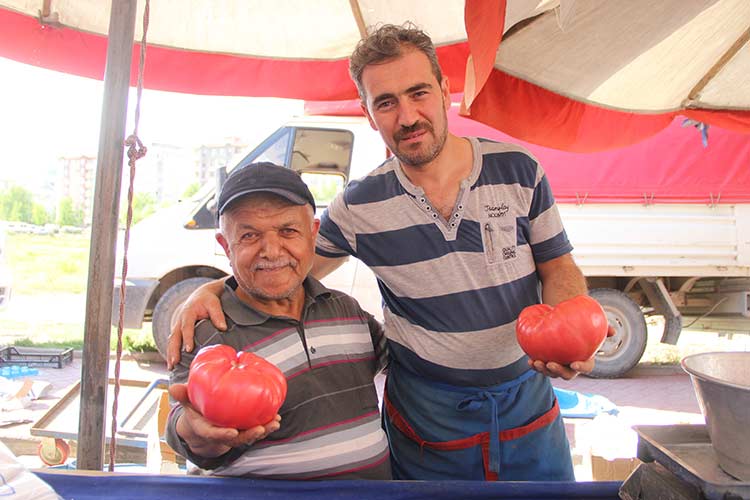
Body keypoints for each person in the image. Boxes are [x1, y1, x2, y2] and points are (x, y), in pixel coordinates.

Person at [169, 24, 611, 481]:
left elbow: (558, 267)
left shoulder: (520, 170)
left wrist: (566, 330)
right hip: (427, 419)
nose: (407, 117)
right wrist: (214, 289)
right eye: (386, 102)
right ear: (367, 111)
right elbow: (282, 263)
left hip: (527, 405)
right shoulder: (358, 205)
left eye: (418, 93)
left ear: (444, 90)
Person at [165, 162, 391, 480]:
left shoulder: (346, 309)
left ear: (313, 233)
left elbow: (405, 360)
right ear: (224, 246)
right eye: (249, 235)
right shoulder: (204, 333)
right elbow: (185, 427)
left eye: (288, 231)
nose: (271, 251)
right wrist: (198, 436)